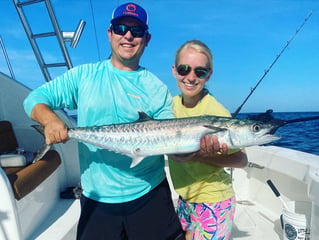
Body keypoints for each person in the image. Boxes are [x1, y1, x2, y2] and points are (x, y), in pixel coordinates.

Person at [23, 3, 185, 240]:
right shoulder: (83, 76)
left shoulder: (157, 88)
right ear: (110, 34)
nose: (128, 35)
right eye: (121, 28)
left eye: (136, 31)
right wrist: (49, 120)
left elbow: (173, 146)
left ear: (146, 39)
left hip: (149, 192)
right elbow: (34, 99)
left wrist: (199, 149)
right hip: (97, 197)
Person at [168, 40, 248, 240]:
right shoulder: (170, 107)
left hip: (214, 199)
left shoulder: (217, 112)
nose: (191, 77)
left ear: (209, 74)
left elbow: (242, 160)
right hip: (184, 197)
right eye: (184, 69)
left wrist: (200, 156)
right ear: (174, 70)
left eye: (200, 72)